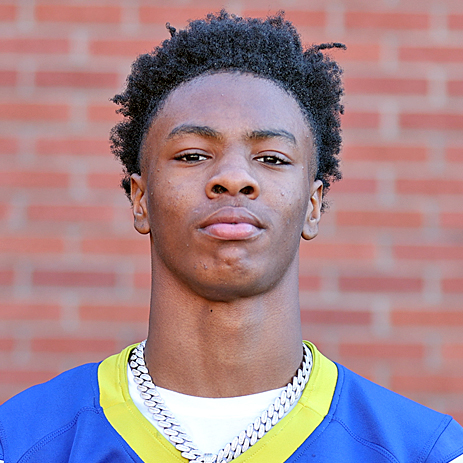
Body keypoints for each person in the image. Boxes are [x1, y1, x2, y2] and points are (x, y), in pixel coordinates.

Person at [0, 10, 462, 463]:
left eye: (272, 158)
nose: (235, 177)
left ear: (313, 205)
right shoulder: (22, 442)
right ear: (140, 199)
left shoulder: (424, 452)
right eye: (193, 155)